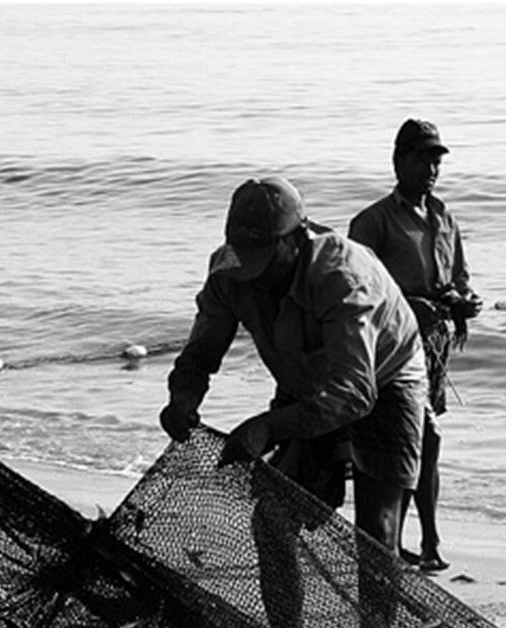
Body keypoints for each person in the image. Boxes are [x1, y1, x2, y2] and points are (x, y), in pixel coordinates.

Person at [160, 176, 428, 555]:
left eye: (265, 261)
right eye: (244, 257)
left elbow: (354, 393)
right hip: (303, 377)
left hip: (385, 377)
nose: (254, 277)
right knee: (271, 519)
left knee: (375, 535)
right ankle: (284, 618)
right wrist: (182, 398)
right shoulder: (229, 270)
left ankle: (377, 612)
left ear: (298, 237)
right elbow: (201, 351)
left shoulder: (343, 278)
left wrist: (268, 427)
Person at [349, 118, 481, 574]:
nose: (431, 168)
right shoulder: (373, 222)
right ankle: (424, 540)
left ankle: (405, 540)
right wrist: (410, 306)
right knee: (423, 439)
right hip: (392, 350)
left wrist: (463, 302)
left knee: (418, 442)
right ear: (398, 161)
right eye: (422, 158)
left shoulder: (444, 216)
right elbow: (357, 291)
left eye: (436, 159)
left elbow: (458, 276)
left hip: (435, 345)